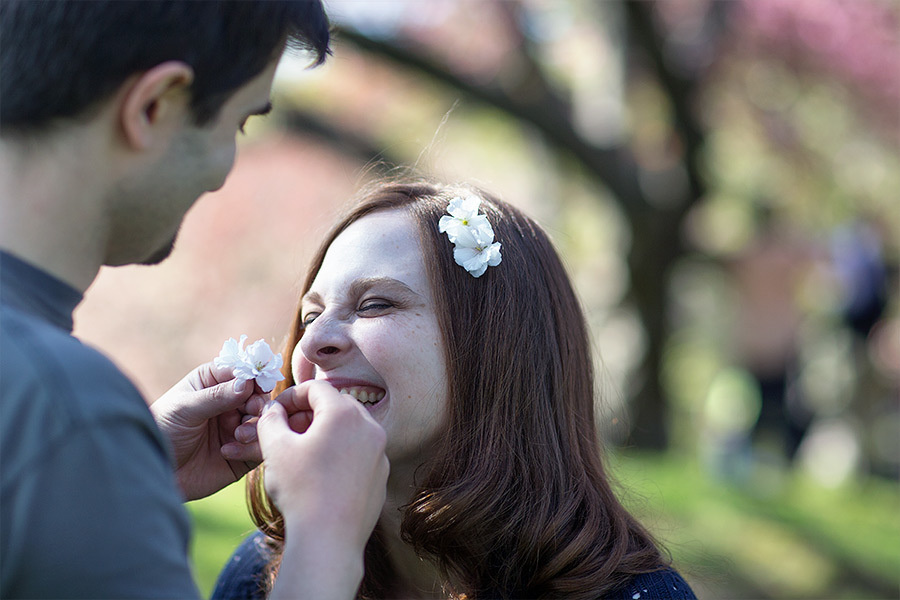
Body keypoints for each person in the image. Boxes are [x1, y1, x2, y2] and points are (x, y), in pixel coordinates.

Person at [0, 2, 388, 598]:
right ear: (155, 106)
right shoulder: (62, 410)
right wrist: (325, 535)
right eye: (237, 124)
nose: (223, 174)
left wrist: (133, 469)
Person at [213, 181, 697, 599]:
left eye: (375, 304)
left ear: (495, 342)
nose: (314, 343)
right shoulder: (263, 574)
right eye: (310, 315)